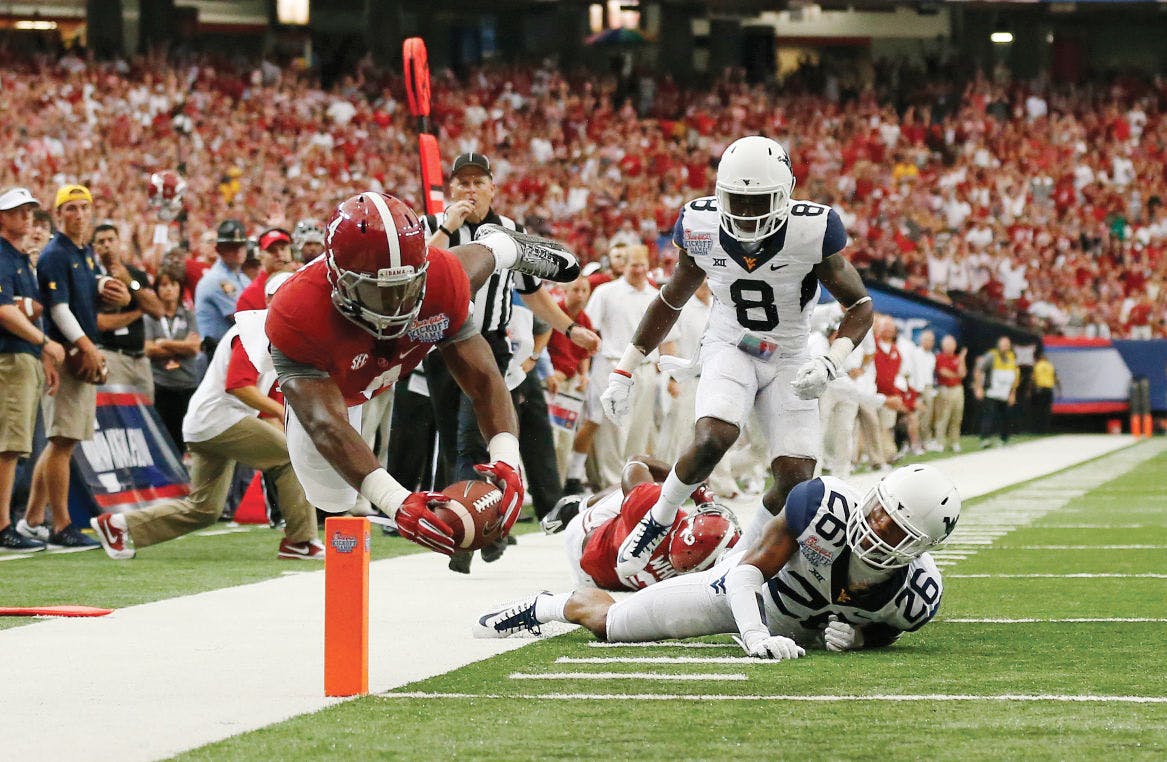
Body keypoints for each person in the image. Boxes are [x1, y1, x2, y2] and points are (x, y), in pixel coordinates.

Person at [597, 136, 873, 579]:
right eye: (737, 201)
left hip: (790, 356)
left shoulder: (812, 231)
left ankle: (741, 556)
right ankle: (657, 522)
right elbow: (671, 300)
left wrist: (829, 361)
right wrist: (625, 368)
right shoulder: (701, 224)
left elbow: (859, 307)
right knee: (712, 439)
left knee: (796, 481)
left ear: (785, 194)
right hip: (732, 345)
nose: (746, 213)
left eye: (758, 201)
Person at [257, 191, 580, 557]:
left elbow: (486, 379)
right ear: (340, 282)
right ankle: (500, 246)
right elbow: (327, 424)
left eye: (405, 286)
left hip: (415, 318)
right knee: (331, 497)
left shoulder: (437, 279)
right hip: (337, 374)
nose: (396, 305)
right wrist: (395, 501)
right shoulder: (297, 315)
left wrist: (506, 457)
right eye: (379, 292)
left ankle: (500, 246)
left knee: (457, 277)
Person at [477, 464, 960, 660]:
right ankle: (552, 606)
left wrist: (860, 637)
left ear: (921, 546)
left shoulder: (917, 596)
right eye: (877, 510)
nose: (876, 526)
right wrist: (755, 636)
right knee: (613, 625)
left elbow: (888, 625)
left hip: (802, 630)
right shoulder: (823, 508)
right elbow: (748, 571)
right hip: (742, 595)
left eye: (896, 528)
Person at [422, 153, 600, 572]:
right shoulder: (435, 227)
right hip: (439, 343)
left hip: (487, 344)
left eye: (477, 182)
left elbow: (532, 291)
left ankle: (468, 534)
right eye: (461, 183)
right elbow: (420, 270)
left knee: (473, 437)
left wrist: (569, 329)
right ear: (451, 190)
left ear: (492, 188)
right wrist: (448, 226)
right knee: (452, 441)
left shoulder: (511, 233)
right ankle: (485, 526)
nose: (469, 190)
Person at [90, 272, 322, 560]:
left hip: (208, 422)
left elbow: (263, 396)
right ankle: (300, 541)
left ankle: (120, 526)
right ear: (271, 300)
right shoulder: (255, 332)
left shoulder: (273, 334)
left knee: (204, 510)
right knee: (290, 457)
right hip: (220, 418)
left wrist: (284, 418)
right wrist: (286, 416)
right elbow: (239, 387)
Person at [22, 185, 129, 550]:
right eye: (71, 208)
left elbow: (83, 285)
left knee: (60, 441)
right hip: (67, 354)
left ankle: (33, 519)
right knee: (62, 442)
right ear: (59, 213)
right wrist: (86, 347)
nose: (79, 214)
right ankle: (61, 524)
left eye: (84, 208)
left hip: (78, 349)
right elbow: (58, 308)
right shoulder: (56, 253)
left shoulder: (82, 252)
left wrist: (107, 284)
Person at [541, 454, 738, 592]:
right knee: (640, 497)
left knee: (645, 491)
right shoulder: (699, 582)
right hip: (595, 582)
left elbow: (636, 462)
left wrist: (693, 486)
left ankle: (577, 507)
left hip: (583, 539)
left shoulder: (655, 511)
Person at [0, 187, 65, 552]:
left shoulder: (21, 258)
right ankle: (4, 525)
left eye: (29, 211)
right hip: (9, 356)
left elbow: (28, 310)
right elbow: (4, 309)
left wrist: (41, 357)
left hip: (23, 356)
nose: (26, 217)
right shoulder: (4, 257)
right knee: (9, 446)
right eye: (18, 211)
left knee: (16, 445)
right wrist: (45, 344)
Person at [92, 223, 165, 402]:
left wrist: (130, 282)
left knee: (147, 415)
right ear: (95, 247)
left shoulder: (134, 274)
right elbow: (101, 323)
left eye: (111, 240)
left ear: (119, 242)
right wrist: (138, 312)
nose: (107, 245)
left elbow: (157, 310)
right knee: (116, 414)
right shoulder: (91, 276)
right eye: (101, 241)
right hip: (111, 355)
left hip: (140, 358)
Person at [143, 269, 202, 451]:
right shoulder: (150, 317)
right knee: (164, 439)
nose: (168, 289)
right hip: (161, 384)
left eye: (173, 284)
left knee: (185, 436)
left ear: (180, 288)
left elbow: (194, 348)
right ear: (157, 289)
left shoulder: (189, 315)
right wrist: (180, 346)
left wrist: (164, 343)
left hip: (187, 383)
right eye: (163, 285)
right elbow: (148, 349)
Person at [195, 219, 249, 358]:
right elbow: (243, 318)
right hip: (215, 354)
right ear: (219, 250)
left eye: (241, 245)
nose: (237, 251)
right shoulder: (216, 279)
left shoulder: (242, 278)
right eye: (231, 247)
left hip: (231, 352)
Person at [235, 228, 295, 312]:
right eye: (272, 250)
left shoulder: (302, 279)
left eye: (283, 248)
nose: (279, 254)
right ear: (260, 255)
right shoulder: (249, 297)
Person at [974, 335, 1019, 447]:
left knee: (1006, 417)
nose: (1005, 346)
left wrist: (1012, 393)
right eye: (1003, 344)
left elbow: (1015, 376)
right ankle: (985, 439)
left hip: (1005, 393)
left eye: (1007, 344)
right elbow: (979, 370)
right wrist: (978, 387)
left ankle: (1004, 440)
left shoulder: (1012, 357)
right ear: (999, 345)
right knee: (989, 416)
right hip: (992, 392)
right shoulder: (991, 356)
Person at [932, 335, 967, 452]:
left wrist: (962, 359)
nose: (949, 347)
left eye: (951, 344)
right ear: (943, 346)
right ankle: (940, 442)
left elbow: (963, 374)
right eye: (947, 345)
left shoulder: (957, 358)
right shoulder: (940, 357)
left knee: (957, 416)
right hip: (945, 389)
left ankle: (954, 441)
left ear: (955, 346)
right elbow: (943, 372)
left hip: (957, 389)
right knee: (943, 416)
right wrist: (956, 375)